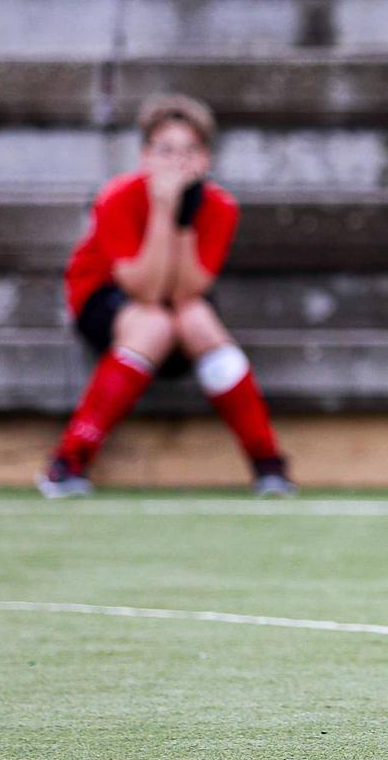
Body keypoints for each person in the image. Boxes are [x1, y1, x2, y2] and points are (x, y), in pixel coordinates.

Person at [39, 94, 293, 498]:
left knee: (197, 320)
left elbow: (187, 289)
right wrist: (163, 210)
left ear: (206, 159)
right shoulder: (117, 197)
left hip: (175, 303)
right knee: (153, 324)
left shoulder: (220, 208)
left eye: (191, 150)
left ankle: (268, 464)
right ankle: (69, 460)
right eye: (167, 150)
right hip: (106, 301)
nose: (179, 161)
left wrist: (185, 218)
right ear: (146, 157)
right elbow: (144, 288)